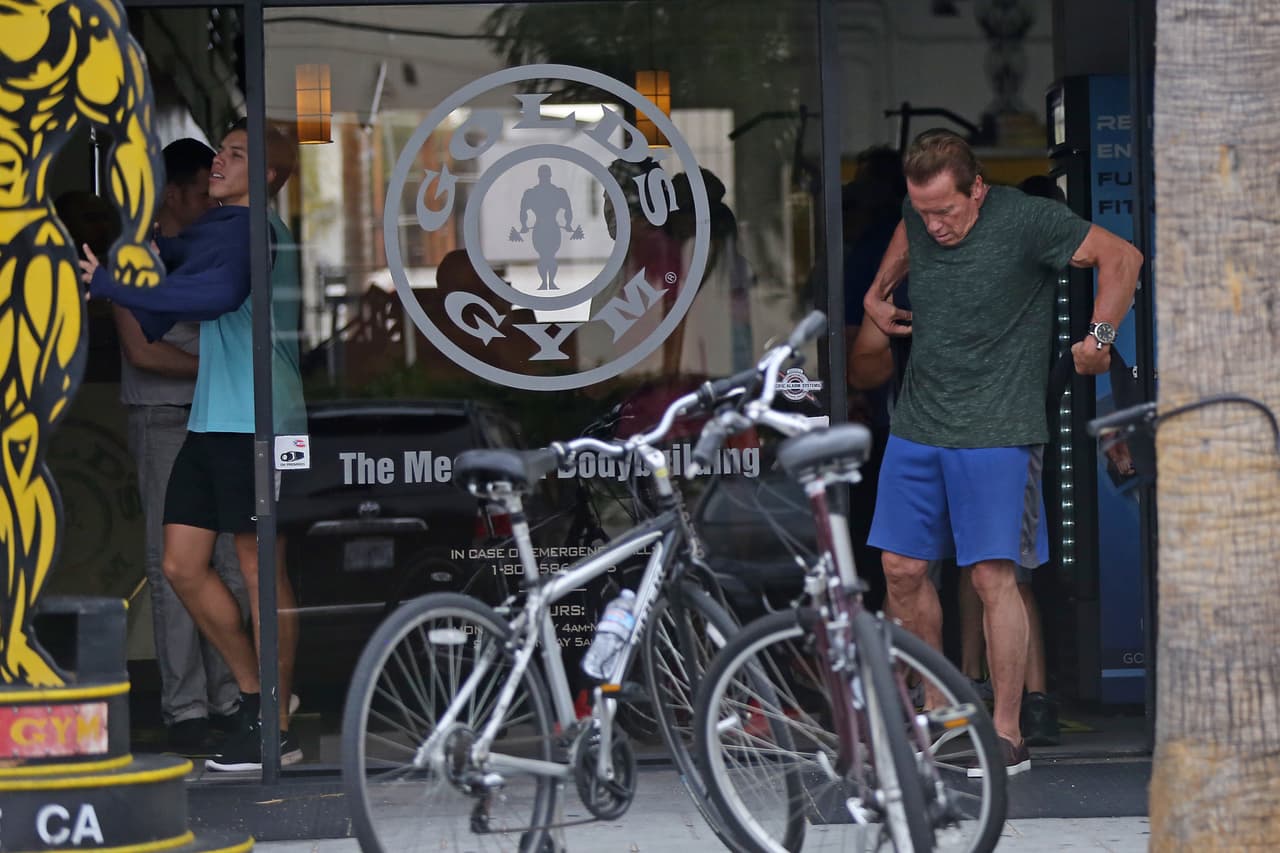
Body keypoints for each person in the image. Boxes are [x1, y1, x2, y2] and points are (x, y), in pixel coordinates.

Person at [863, 129, 1142, 776]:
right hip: (919, 420)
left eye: (947, 212)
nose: (934, 224)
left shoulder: (1027, 219)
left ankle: (1007, 732)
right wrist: (880, 289)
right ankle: (940, 714)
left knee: (993, 577)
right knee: (901, 569)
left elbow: (1122, 257)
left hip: (999, 425)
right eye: (923, 211)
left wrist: (1099, 337)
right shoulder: (918, 214)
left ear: (978, 190)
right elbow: (907, 232)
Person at [81, 118, 307, 772]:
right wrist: (125, 263)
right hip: (214, 420)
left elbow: (218, 291)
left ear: (265, 176)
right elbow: (169, 287)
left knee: (261, 569)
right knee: (181, 564)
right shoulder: (219, 231)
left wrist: (118, 284)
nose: (219, 160)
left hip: (261, 420)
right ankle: (254, 696)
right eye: (220, 150)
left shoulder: (254, 231)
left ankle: (279, 725)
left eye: (235, 155)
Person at [114, 138, 250, 754]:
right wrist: (217, 371)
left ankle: (233, 699)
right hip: (166, 417)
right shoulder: (139, 256)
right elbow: (142, 349)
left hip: (217, 418)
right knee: (172, 569)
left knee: (227, 564)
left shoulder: (219, 246)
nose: (210, 198)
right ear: (172, 194)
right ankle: (187, 709)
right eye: (200, 190)